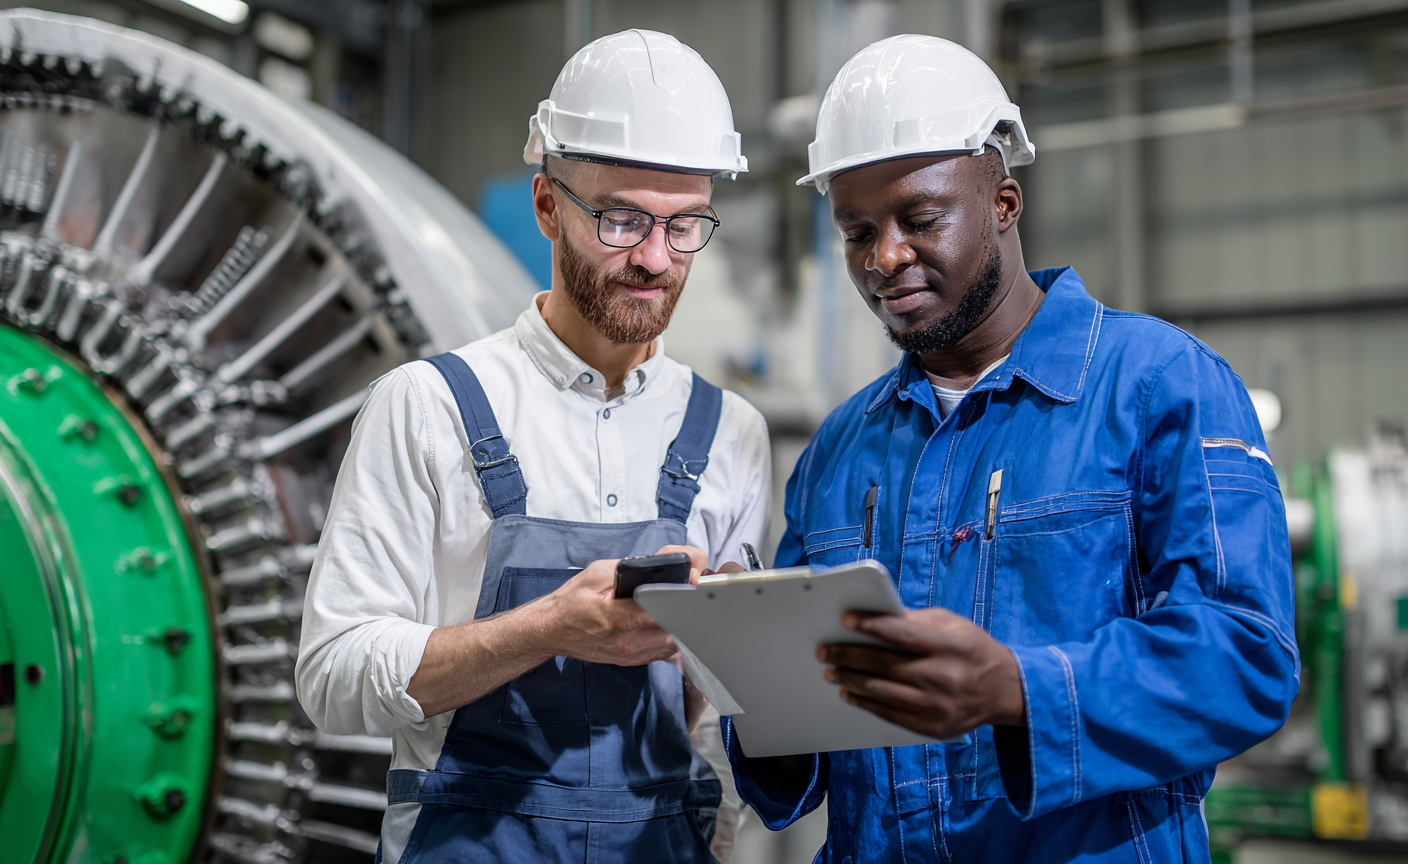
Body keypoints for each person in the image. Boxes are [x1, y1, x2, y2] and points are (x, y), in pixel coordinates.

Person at [723, 35, 1297, 862]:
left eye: (920, 219)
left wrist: (1020, 691)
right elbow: (797, 759)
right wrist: (738, 672)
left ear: (1003, 203)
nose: (886, 258)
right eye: (857, 232)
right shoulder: (842, 449)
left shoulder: (1156, 385)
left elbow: (1246, 656)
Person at [295, 29, 770, 864]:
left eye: (686, 224)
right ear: (549, 205)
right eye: (622, 219)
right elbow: (332, 677)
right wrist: (548, 627)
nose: (656, 259)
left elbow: (709, 722)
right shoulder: (428, 405)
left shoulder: (730, 431)